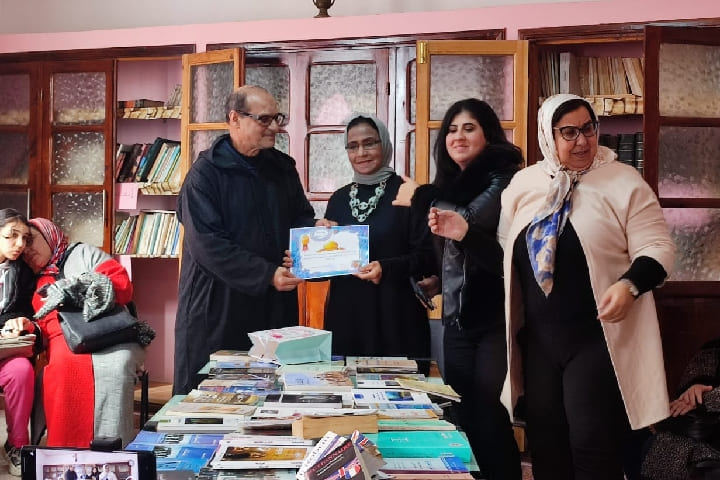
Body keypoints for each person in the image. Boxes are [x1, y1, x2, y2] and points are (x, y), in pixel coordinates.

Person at [496, 93, 676, 479]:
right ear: (548, 135)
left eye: (589, 129)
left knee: (591, 442)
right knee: (546, 443)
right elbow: (505, 248)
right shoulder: (523, 184)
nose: (582, 141)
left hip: (598, 337)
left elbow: (658, 247)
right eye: (569, 132)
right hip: (540, 341)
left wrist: (629, 285)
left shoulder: (623, 181)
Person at [393, 98, 523, 480]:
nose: (458, 136)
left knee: (490, 412)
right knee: (464, 412)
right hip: (457, 317)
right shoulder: (450, 184)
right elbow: (453, 248)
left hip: (494, 317)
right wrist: (437, 278)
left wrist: (419, 196)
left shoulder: (504, 175)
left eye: (469, 128)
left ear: (488, 134)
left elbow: (462, 221)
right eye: (452, 129)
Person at [174, 85, 329, 395]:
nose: (274, 127)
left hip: (273, 304)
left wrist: (313, 231)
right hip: (217, 307)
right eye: (265, 119)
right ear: (235, 119)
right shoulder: (205, 175)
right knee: (212, 399)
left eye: (277, 118)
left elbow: (298, 216)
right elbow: (208, 245)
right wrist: (266, 274)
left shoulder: (282, 169)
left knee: (271, 395)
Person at [23, 218, 145, 447]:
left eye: (31, 240)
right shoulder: (27, 276)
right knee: (63, 368)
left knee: (117, 366)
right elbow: (32, 320)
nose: (26, 249)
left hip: (108, 331)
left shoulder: (84, 253)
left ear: (49, 235)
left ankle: (110, 451)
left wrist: (80, 288)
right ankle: (65, 452)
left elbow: (121, 286)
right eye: (22, 245)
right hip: (62, 340)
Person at [322, 113, 434, 358]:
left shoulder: (407, 192)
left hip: (395, 314)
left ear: (384, 144)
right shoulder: (339, 199)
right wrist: (305, 258)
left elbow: (427, 256)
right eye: (352, 146)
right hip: (347, 316)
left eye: (369, 143)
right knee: (346, 388)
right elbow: (328, 263)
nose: (361, 152)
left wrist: (386, 267)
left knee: (400, 390)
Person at [641, 337, 720, 479]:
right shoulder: (713, 348)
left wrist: (706, 399)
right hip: (699, 426)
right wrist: (694, 389)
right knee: (660, 444)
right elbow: (688, 390)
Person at [0, 208, 40, 476]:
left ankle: (16, 444)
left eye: (24, 238)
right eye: (11, 236)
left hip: (5, 351)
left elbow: (25, 310)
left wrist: (19, 323)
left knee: (21, 370)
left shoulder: (23, 272)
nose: (19, 245)